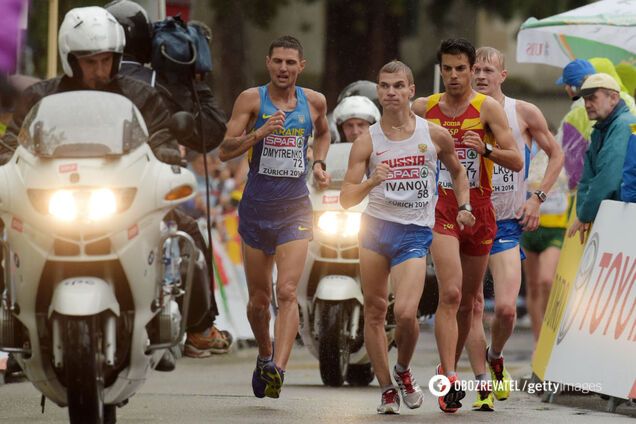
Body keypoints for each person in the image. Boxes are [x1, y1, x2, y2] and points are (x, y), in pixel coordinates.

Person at [0, 6, 229, 363]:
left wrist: (169, 161)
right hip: (53, 200)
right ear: (70, 59)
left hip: (121, 198)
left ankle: (200, 329)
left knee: (186, 234)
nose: (100, 70)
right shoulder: (40, 98)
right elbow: (12, 145)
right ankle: (12, 323)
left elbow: (163, 141)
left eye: (107, 60)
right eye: (90, 62)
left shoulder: (141, 96)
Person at [340, 60, 473, 415]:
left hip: (413, 232)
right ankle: (386, 389)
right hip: (374, 230)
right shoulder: (366, 141)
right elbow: (346, 198)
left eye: (399, 86)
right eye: (384, 86)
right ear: (379, 92)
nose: (391, 92)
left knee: (407, 313)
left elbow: (459, 173)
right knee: (374, 310)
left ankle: (403, 370)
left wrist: (464, 204)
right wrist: (370, 181)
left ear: (411, 91)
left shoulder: (432, 134)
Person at [105, 0, 233, 361]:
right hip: (135, 193)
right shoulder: (157, 81)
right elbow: (209, 133)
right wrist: (196, 81)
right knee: (189, 235)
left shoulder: (72, 85)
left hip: (100, 191)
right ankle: (200, 330)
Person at [411, 38, 522, 413]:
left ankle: (458, 371)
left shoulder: (486, 108)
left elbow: (517, 161)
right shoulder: (423, 108)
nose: (454, 76)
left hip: (480, 211)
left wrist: (485, 150)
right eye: (447, 69)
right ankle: (450, 380)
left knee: (471, 303)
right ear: (440, 70)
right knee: (452, 294)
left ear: (472, 69)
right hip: (441, 210)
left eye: (461, 68)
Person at [218, 35, 330, 399]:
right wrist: (259, 134)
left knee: (286, 291)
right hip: (256, 209)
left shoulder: (314, 103)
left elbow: (325, 133)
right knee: (258, 300)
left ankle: (278, 370)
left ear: (302, 65)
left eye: (290, 62)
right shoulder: (252, 100)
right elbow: (224, 150)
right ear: (268, 63)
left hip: (295, 209)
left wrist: (319, 162)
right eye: (278, 61)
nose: (284, 68)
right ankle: (265, 356)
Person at [464, 47, 564, 410]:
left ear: (502, 76)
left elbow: (557, 153)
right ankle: (481, 386)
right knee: (473, 305)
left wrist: (537, 198)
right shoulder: (458, 110)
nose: (480, 75)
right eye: (475, 69)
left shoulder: (523, 112)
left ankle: (495, 355)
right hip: (468, 223)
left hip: (505, 223)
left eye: (488, 69)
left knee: (505, 309)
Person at [567, 73, 636, 242]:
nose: (587, 104)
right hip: (615, 217)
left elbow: (608, 177)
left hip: (624, 218)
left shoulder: (624, 124)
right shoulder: (600, 128)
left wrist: (584, 215)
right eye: (584, 99)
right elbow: (587, 177)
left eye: (593, 98)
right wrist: (584, 213)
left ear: (613, 98)